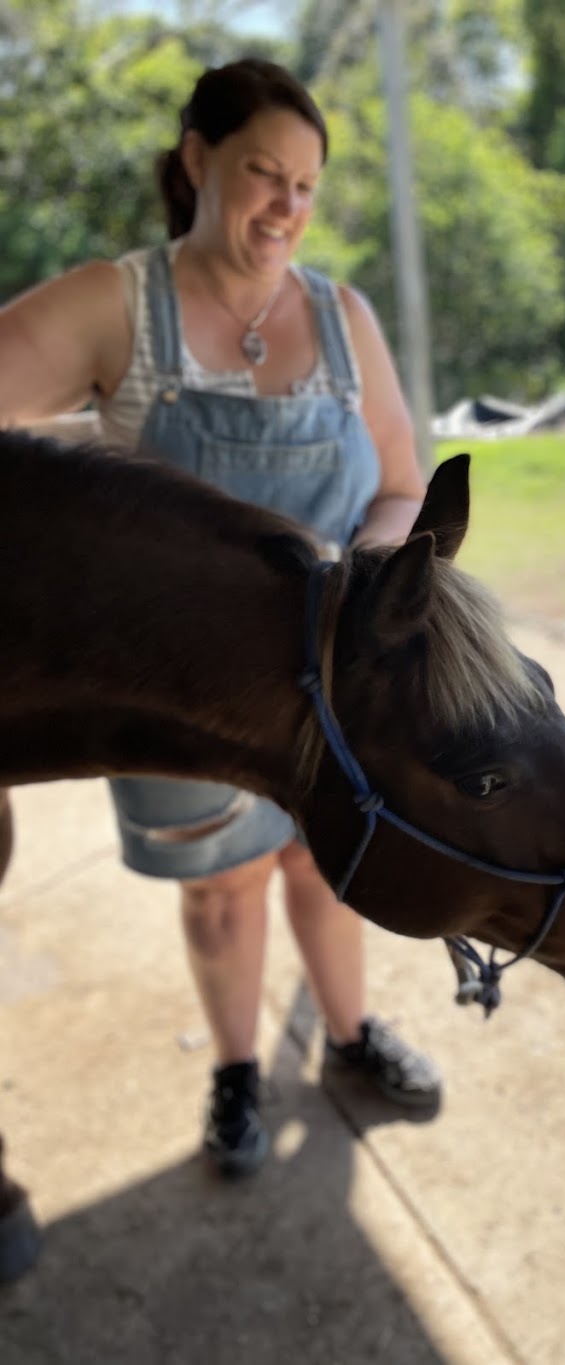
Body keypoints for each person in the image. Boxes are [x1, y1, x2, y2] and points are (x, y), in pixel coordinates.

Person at [0, 57, 442, 1178]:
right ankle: (238, 1072)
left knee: (324, 866)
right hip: (179, 700)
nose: (286, 207)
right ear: (197, 160)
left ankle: (348, 1037)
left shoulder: (344, 318)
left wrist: (371, 580)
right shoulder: (120, 305)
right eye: (262, 173)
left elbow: (401, 481)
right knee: (223, 890)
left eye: (306, 185)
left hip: (333, 684)